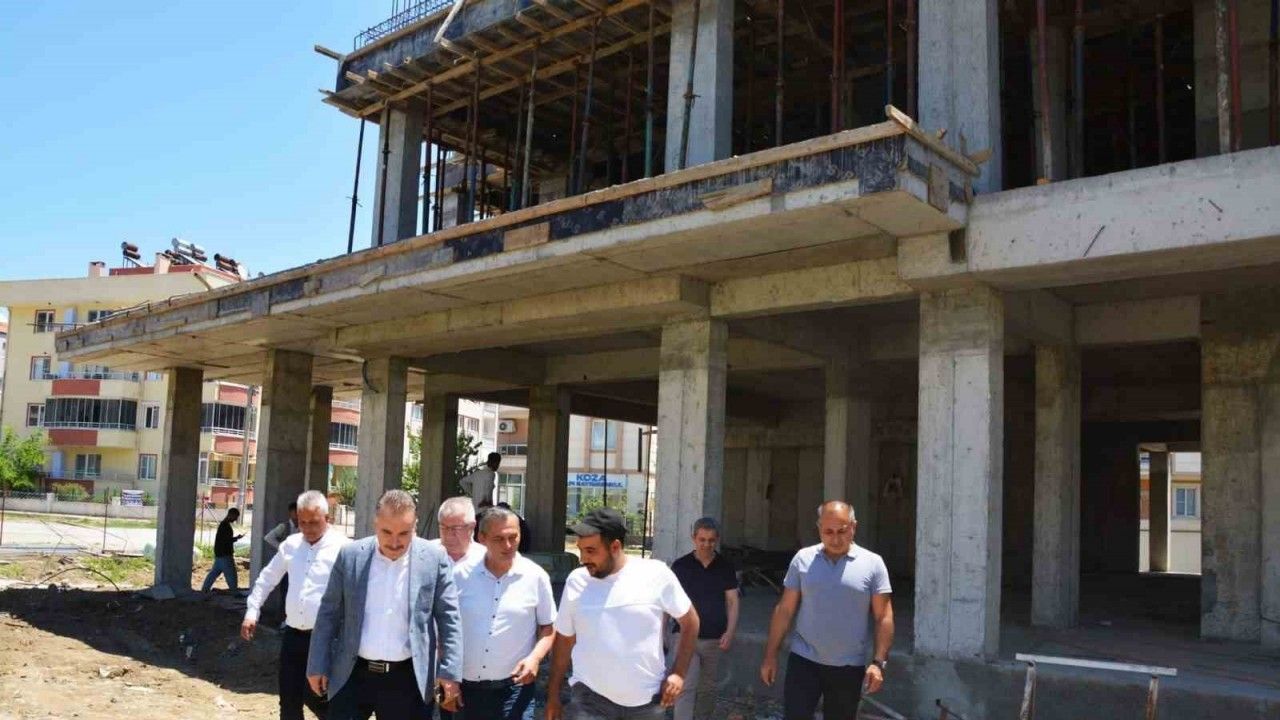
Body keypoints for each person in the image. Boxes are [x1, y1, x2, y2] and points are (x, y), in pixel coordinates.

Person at [307, 490, 463, 719]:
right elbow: (328, 613)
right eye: (387, 532)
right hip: (352, 674)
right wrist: (317, 663)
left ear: (415, 526)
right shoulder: (351, 556)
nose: (395, 542)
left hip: (407, 679)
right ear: (376, 523)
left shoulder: (433, 558)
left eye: (404, 533)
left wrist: (450, 671)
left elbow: (449, 618)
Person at [546, 508, 700, 720]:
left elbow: (690, 622)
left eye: (591, 551)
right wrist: (553, 695)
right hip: (590, 700)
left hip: (647, 702)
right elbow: (564, 640)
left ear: (615, 547)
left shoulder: (656, 574)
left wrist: (678, 674)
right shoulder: (576, 581)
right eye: (581, 550)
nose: (583, 558)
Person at [759, 501, 894, 720]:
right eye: (828, 532)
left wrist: (878, 663)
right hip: (804, 662)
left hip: (848, 667)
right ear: (819, 528)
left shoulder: (873, 564)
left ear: (854, 527)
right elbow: (785, 610)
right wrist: (770, 656)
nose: (836, 539)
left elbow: (884, 616)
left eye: (842, 531)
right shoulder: (803, 559)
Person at [241, 491, 348, 720]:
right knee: (289, 700)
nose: (307, 528)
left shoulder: (344, 548)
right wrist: (252, 611)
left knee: (322, 699)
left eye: (314, 522)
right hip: (293, 636)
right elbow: (267, 578)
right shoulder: (291, 545)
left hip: (327, 639)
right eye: (302, 523)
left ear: (327, 519)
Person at [453, 506, 556, 720]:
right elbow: (443, 628)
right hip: (464, 690)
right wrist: (445, 675)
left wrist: (535, 658)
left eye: (513, 537)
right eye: (499, 539)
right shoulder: (459, 575)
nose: (508, 545)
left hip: (515, 690)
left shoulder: (536, 577)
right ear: (481, 538)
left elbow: (549, 627)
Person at [669, 517, 739, 720]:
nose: (706, 544)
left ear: (717, 540)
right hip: (685, 636)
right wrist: (662, 633)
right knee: (685, 685)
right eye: (702, 540)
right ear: (694, 538)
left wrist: (730, 631)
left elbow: (733, 601)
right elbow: (667, 601)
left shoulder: (725, 566)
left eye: (711, 540)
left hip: (714, 638)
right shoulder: (681, 566)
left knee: (707, 688)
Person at [427, 496, 487, 569]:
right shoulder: (425, 554)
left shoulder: (487, 560)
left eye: (455, 528)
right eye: (443, 528)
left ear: (471, 527)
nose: (449, 535)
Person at [201, 507, 244, 593]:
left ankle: (204, 590)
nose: (236, 519)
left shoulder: (223, 525)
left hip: (219, 554)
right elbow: (226, 540)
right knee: (231, 574)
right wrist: (236, 538)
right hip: (225, 554)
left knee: (213, 574)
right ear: (231, 515)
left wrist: (235, 538)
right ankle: (235, 592)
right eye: (235, 517)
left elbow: (224, 539)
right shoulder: (225, 526)